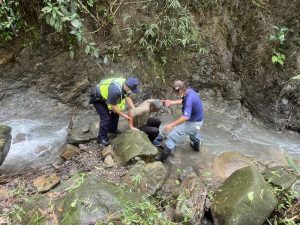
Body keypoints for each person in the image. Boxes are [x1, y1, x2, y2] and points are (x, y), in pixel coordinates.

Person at [155, 80, 204, 162]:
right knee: (193, 134)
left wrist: (171, 125)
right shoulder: (189, 91)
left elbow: (185, 117)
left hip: (192, 123)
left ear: (181, 91)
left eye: (177, 93)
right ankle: (197, 147)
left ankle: (162, 158)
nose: (176, 94)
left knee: (171, 137)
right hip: (199, 121)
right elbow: (184, 101)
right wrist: (172, 102)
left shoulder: (189, 100)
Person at [89, 76, 140, 146]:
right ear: (128, 87)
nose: (132, 91)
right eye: (132, 89)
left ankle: (112, 130)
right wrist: (124, 115)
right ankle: (101, 138)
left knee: (115, 113)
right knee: (105, 117)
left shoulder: (125, 85)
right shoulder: (115, 91)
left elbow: (127, 98)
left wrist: (135, 109)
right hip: (98, 97)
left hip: (107, 95)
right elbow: (113, 106)